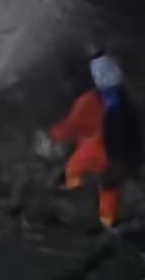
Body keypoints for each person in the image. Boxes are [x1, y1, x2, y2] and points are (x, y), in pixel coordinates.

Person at [43, 54, 138, 228]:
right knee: (109, 187)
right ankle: (110, 222)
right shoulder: (125, 98)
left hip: (98, 156)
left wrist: (51, 136)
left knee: (73, 175)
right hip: (124, 156)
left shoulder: (90, 102)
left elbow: (71, 128)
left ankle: (72, 211)